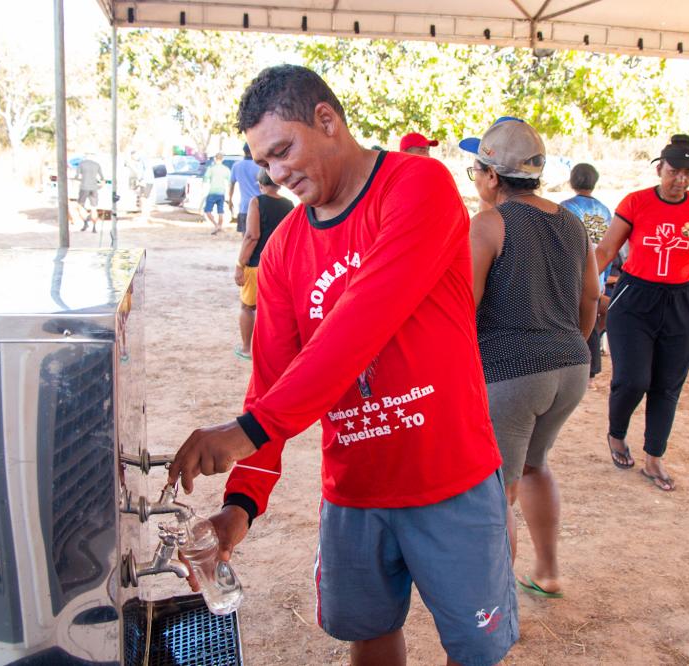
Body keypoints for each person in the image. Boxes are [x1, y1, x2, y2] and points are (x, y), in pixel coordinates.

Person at [167, 65, 516, 666]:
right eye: (264, 163)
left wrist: (248, 431)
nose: (277, 174)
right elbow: (271, 384)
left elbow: (363, 320)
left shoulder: (417, 185)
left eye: (283, 150)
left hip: (450, 478)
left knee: (474, 651)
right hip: (355, 491)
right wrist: (240, 505)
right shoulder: (284, 249)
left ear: (327, 120)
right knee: (370, 634)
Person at [465, 118, 599, 599]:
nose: (475, 179)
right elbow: (591, 297)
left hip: (512, 371)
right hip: (571, 365)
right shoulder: (572, 221)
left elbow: (464, 308)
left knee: (497, 487)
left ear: (492, 176)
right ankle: (547, 571)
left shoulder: (489, 223)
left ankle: (497, 605)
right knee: (536, 465)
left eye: (475, 169)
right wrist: (570, 344)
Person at [595, 134, 689, 491]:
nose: (681, 179)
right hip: (634, 299)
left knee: (667, 385)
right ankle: (617, 434)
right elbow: (606, 250)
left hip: (682, 303)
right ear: (659, 168)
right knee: (633, 380)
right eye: (674, 171)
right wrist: (580, 291)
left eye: (688, 173)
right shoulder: (636, 202)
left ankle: (654, 458)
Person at [561, 163, 613, 388]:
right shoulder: (604, 211)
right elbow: (608, 248)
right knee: (590, 321)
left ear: (572, 181)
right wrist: (604, 276)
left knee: (573, 322)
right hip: (598, 273)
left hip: (572, 274)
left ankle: (576, 368)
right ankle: (590, 372)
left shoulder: (565, 207)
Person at [233, 169, 293, 361]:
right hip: (280, 265)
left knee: (247, 306)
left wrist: (240, 264)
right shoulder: (289, 204)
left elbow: (252, 235)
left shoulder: (257, 202)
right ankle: (272, 351)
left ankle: (246, 348)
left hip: (256, 263)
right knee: (274, 311)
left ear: (260, 184)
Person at [228, 143, 261, 234]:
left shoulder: (236, 166)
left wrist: (230, 200)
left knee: (246, 234)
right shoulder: (260, 166)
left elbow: (232, 185)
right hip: (259, 204)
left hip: (244, 206)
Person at [203, 152, 231, 234]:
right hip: (221, 192)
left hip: (212, 191)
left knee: (207, 210)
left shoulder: (211, 168)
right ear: (223, 159)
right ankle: (219, 226)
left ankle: (216, 225)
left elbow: (205, 179)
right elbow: (230, 181)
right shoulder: (226, 169)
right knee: (220, 211)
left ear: (215, 159)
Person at [76, 154, 103, 233]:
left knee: (80, 206)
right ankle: (94, 227)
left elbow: (77, 176)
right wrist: (99, 186)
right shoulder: (97, 165)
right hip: (94, 188)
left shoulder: (81, 164)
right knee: (94, 208)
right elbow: (102, 178)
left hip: (84, 187)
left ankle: (85, 222)